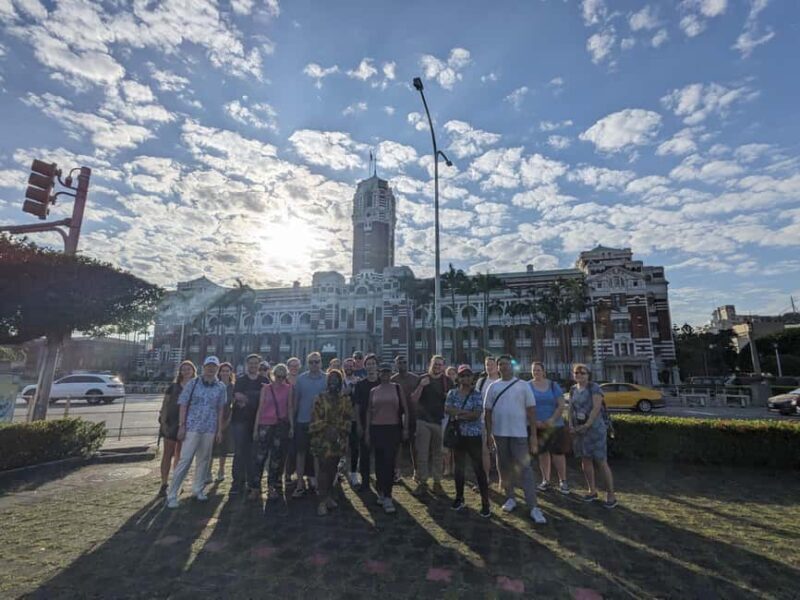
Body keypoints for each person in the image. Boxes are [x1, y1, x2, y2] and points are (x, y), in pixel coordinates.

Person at [484, 355, 546, 524]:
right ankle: (510, 497)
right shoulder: (493, 387)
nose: (503, 367)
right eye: (500, 364)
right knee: (504, 467)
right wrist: (489, 434)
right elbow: (487, 412)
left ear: (513, 366)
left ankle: (533, 506)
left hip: (519, 434)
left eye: (506, 364)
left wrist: (533, 436)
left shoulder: (523, 386)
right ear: (497, 368)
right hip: (499, 434)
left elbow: (532, 412)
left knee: (525, 469)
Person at [166, 356, 226, 509]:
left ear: (217, 369)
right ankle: (172, 493)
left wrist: (219, 430)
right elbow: (183, 405)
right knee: (185, 459)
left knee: (204, 460)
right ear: (203, 367)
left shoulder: (220, 387)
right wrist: (181, 425)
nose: (211, 369)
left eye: (214, 366)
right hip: (192, 426)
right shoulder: (193, 383)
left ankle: (198, 488)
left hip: (209, 428)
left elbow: (220, 409)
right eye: (208, 366)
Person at [569, 363, 617, 508]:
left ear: (588, 375)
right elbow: (571, 408)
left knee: (601, 461)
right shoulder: (572, 389)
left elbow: (596, 408)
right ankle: (592, 490)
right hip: (579, 430)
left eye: (582, 373)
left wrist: (587, 425)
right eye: (576, 373)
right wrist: (571, 425)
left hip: (594, 429)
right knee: (585, 460)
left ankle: (611, 494)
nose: (579, 375)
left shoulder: (594, 387)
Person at [445, 365, 490, 518]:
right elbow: (448, 409)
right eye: (463, 376)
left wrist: (458, 415)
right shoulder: (452, 393)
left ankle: (485, 503)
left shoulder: (476, 394)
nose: (466, 378)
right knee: (459, 468)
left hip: (473, 436)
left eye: (468, 376)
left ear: (472, 378)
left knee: (478, 469)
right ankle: (459, 498)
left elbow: (476, 414)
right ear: (458, 378)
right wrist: (464, 414)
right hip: (458, 436)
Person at [365, 364, 409, 514]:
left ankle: (388, 495)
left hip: (393, 428)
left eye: (387, 372)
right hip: (377, 429)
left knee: (389, 462)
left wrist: (405, 428)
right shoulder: (374, 391)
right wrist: (367, 432)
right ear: (379, 374)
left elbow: (405, 410)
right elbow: (369, 412)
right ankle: (381, 492)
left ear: (391, 373)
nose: (385, 375)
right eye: (382, 372)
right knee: (379, 462)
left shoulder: (397, 388)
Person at [309, 369, 352, 516]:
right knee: (323, 469)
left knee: (333, 468)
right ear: (327, 382)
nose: (334, 382)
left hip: (338, 440)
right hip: (322, 439)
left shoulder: (345, 400)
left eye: (337, 379)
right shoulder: (320, 398)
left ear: (341, 382)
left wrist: (340, 432)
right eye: (331, 379)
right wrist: (327, 428)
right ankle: (321, 502)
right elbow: (314, 419)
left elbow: (347, 419)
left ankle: (328, 497)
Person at [251, 363, 295, 501]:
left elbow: (289, 408)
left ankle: (272, 486)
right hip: (265, 425)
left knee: (276, 459)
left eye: (283, 377)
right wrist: (255, 428)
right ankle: (255, 487)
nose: (280, 379)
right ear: (273, 375)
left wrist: (292, 427)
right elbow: (260, 408)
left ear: (286, 377)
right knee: (260, 458)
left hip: (280, 426)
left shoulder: (289, 389)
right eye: (278, 376)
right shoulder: (266, 388)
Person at [410, 355, 449, 496]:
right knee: (422, 453)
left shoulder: (447, 381)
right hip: (423, 421)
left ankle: (437, 482)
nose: (437, 366)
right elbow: (413, 399)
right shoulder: (422, 378)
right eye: (435, 364)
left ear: (443, 366)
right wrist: (421, 386)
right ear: (430, 364)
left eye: (440, 364)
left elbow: (451, 402)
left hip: (440, 422)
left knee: (438, 453)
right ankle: (423, 482)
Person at [231, 354, 268, 497]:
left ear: (259, 365)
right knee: (239, 452)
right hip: (240, 421)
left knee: (254, 453)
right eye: (250, 363)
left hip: (258, 422)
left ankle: (253, 482)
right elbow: (238, 397)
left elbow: (266, 400)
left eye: (255, 363)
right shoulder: (240, 380)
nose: (253, 366)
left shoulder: (264, 380)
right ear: (247, 365)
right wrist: (256, 398)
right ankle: (237, 482)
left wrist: (247, 398)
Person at [530, 361, 569, 494]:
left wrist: (552, 420)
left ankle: (563, 481)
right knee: (543, 454)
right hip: (538, 425)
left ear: (544, 371)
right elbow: (525, 406)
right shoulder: (528, 386)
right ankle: (545, 480)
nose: (536, 372)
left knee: (558, 453)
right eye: (534, 370)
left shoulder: (553, 385)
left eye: (538, 370)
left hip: (555, 426)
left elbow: (561, 404)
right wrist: (535, 421)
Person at [158, 360, 196, 496]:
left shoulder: (195, 387)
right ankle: (164, 483)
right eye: (183, 369)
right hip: (171, 423)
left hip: (188, 424)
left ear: (193, 371)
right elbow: (165, 405)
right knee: (167, 454)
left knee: (181, 456)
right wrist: (163, 422)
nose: (186, 371)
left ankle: (177, 482)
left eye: (188, 369)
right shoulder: (173, 387)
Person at [292, 351, 327, 497]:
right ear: (307, 363)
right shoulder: (300, 379)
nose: (314, 364)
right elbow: (296, 401)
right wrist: (292, 421)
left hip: (319, 423)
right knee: (300, 453)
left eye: (317, 362)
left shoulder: (326, 378)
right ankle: (300, 484)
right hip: (302, 420)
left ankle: (318, 484)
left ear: (321, 362)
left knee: (317, 455)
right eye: (311, 362)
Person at [352, 354, 380, 489]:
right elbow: (356, 406)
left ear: (377, 366)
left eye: (373, 363)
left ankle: (381, 481)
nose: (371, 366)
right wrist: (358, 424)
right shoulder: (360, 385)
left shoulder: (383, 383)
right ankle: (365, 482)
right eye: (368, 364)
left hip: (381, 423)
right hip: (364, 422)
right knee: (364, 454)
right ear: (365, 366)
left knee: (381, 454)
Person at [391, 354, 418, 481]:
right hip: (397, 415)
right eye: (399, 362)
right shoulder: (393, 380)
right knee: (397, 444)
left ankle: (417, 471)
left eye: (404, 362)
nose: (402, 365)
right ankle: (397, 471)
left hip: (413, 415)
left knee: (415, 444)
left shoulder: (415, 378)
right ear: (396, 364)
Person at [476, 356, 501, 485]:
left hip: (500, 421)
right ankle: (485, 477)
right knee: (484, 450)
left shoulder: (502, 382)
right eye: (486, 364)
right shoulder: (481, 381)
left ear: (497, 366)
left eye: (491, 364)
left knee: (500, 451)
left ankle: (503, 478)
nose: (489, 367)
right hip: (483, 421)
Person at [207, 361, 234, 483]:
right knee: (211, 447)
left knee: (224, 446)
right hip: (212, 419)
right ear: (219, 372)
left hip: (227, 419)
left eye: (227, 371)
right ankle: (208, 471)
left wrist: (227, 421)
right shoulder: (213, 385)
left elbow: (234, 406)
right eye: (222, 371)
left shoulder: (233, 387)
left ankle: (221, 470)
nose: (224, 373)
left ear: (230, 373)